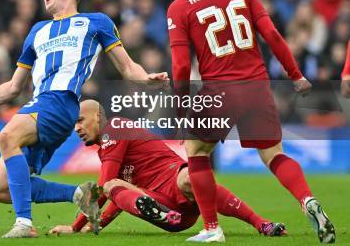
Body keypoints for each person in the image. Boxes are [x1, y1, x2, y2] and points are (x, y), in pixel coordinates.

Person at [0, 0, 168, 238]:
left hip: (60, 102)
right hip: (41, 105)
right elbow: (14, 86)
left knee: (6, 137)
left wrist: (146, 80)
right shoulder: (37, 31)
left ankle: (24, 224)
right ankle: (79, 193)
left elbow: (127, 66)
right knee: (0, 190)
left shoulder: (95, 22)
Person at [165, 0, 335, 243]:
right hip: (257, 86)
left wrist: (180, 108)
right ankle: (307, 200)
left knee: (196, 151)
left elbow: (180, 65)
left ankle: (211, 228)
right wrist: (295, 75)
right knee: (273, 155)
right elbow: (272, 36)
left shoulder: (179, 7)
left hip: (220, 89)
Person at [48, 100, 286, 237]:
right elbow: (118, 197)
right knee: (115, 186)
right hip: (167, 209)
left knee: (188, 178)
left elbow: (104, 187)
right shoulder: (106, 149)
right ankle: (164, 213)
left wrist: (76, 226)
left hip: (173, 181)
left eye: (80, 120)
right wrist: (94, 225)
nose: (76, 128)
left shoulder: (116, 127)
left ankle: (262, 224)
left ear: (98, 116)